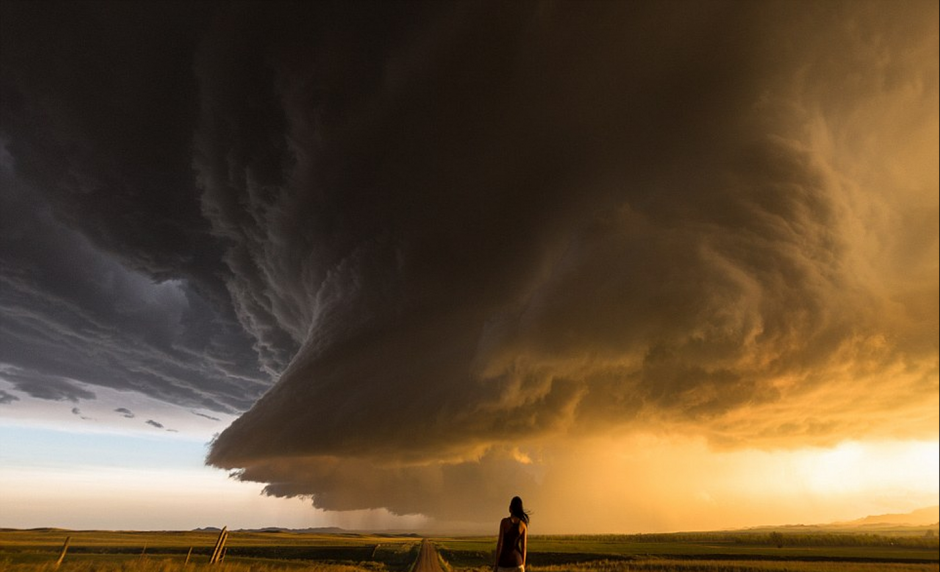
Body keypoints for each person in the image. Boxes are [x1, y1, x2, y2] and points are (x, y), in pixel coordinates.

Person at [494, 496, 529, 572]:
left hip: (504, 565)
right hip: (518, 563)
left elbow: (500, 544)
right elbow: (524, 548)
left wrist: (496, 565)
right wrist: (523, 565)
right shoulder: (523, 526)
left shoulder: (504, 522)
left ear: (510, 508)